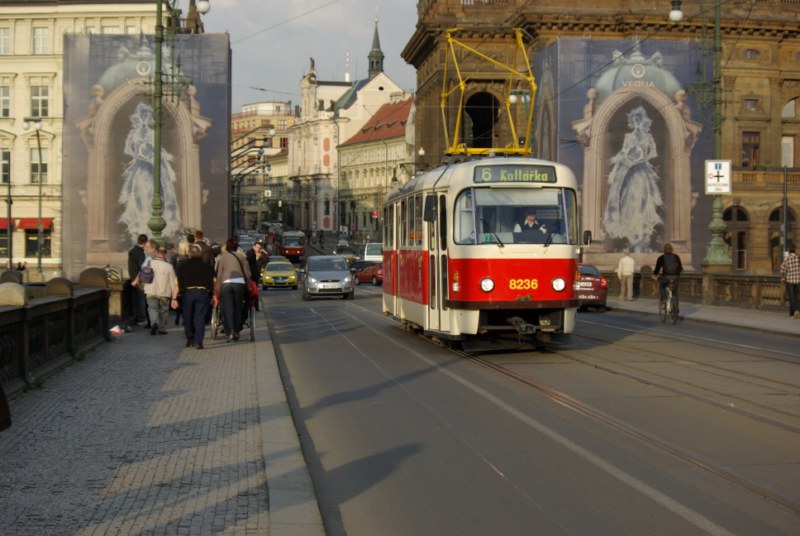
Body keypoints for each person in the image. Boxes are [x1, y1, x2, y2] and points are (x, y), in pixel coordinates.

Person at [177, 244, 216, 349]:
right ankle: (199, 341)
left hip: (188, 293)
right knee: (200, 318)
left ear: (189, 254)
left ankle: (190, 338)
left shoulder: (183, 266)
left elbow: (179, 281)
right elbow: (211, 282)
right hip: (202, 292)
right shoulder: (206, 266)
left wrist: (178, 294)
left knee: (187, 316)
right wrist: (212, 295)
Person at [134, 245, 178, 335]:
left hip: (150, 290)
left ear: (157, 253)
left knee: (152, 308)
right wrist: (175, 296)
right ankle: (162, 328)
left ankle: (154, 322)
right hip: (164, 292)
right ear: (165, 254)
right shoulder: (169, 266)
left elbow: (141, 273)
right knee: (164, 310)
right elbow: (173, 282)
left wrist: (135, 281)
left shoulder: (149, 263)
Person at [214, 237, 251, 343]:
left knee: (228, 309)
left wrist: (218, 288)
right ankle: (236, 331)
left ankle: (230, 333)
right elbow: (247, 274)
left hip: (226, 284)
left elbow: (219, 274)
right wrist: (248, 286)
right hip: (239, 284)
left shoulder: (223, 258)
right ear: (236, 247)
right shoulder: (242, 257)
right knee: (238, 308)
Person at [652, 243, 683, 310]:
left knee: (662, 287)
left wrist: (654, 274)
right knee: (675, 293)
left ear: (664, 250)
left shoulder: (661, 258)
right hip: (675, 277)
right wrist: (677, 275)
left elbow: (657, 268)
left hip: (666, 277)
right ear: (672, 249)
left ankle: (664, 304)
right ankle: (676, 309)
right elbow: (680, 267)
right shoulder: (676, 256)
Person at [127, 233, 149, 327]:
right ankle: (141, 319)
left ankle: (135, 317)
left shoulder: (132, 251)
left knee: (135, 300)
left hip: (132, 278)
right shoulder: (140, 253)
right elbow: (142, 268)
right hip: (138, 280)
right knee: (141, 300)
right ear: (144, 242)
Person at [246, 241, 269, 311]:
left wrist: (264, 252)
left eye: (259, 248)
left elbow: (267, 259)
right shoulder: (250, 254)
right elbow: (248, 264)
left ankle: (256, 306)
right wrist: (256, 258)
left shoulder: (260, 256)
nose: (258, 249)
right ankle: (249, 305)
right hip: (250, 275)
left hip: (256, 276)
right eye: (257, 247)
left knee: (255, 292)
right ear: (254, 247)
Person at [780, 244, 800, 319]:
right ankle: (792, 314)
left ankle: (796, 310)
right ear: (794, 250)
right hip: (798, 280)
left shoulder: (787, 259)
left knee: (791, 297)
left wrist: (782, 277)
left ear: (789, 251)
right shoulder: (798, 258)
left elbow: (782, 269)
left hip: (790, 280)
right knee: (796, 297)